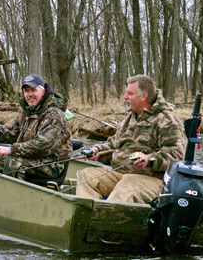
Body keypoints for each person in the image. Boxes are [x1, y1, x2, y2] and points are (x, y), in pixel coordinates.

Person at [76, 75, 185, 203]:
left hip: (155, 182)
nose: (125, 97)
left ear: (143, 96)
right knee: (86, 176)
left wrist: (148, 160)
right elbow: (113, 146)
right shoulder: (130, 118)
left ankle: (105, 220)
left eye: (130, 93)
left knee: (128, 184)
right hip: (122, 175)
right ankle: (86, 218)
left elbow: (177, 156)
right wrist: (96, 151)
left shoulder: (167, 120)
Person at [0, 74, 72, 180]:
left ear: (43, 92)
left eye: (34, 90)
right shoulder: (27, 111)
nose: (30, 94)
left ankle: (14, 195)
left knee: (13, 163)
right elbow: (13, 131)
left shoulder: (54, 114)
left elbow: (43, 145)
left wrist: (11, 149)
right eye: (27, 91)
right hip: (29, 157)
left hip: (51, 164)